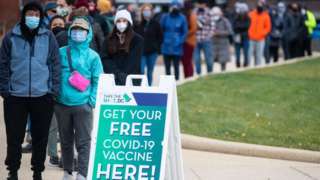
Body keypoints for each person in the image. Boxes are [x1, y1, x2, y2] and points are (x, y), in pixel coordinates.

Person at [0, 2, 60, 179]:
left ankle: (37, 171)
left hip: (42, 96)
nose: (32, 17)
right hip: (15, 96)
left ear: (40, 17)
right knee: (14, 137)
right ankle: (13, 170)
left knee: (40, 137)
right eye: (29, 13)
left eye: (36, 14)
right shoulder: (11, 37)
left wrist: (53, 91)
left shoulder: (48, 37)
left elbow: (55, 64)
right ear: (23, 15)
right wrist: (5, 90)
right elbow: (2, 65)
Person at [55, 17, 103, 180]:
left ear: (88, 33)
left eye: (81, 31)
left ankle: (82, 173)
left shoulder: (93, 56)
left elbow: (98, 79)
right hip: (62, 104)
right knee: (65, 140)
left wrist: (92, 100)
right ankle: (68, 171)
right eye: (75, 30)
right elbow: (54, 74)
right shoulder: (61, 52)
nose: (78, 33)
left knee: (84, 142)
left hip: (83, 105)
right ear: (70, 32)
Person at [101, 9, 143, 85]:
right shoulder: (109, 39)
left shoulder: (137, 39)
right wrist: (117, 73)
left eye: (124, 21)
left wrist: (124, 76)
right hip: (113, 79)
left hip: (131, 80)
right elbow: (105, 58)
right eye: (119, 21)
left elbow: (134, 61)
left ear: (129, 23)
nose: (121, 23)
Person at [134, 4, 163, 85]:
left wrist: (157, 49)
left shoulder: (155, 23)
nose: (146, 12)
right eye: (145, 10)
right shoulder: (137, 23)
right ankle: (142, 86)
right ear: (142, 12)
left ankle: (149, 87)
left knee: (150, 71)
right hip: (141, 52)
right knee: (141, 71)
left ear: (151, 12)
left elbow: (160, 37)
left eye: (148, 10)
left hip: (152, 52)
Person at [160, 1, 188, 80]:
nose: (175, 8)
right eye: (173, 6)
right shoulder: (165, 17)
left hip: (177, 47)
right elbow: (160, 30)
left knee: (176, 67)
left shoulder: (182, 18)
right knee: (167, 68)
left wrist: (180, 41)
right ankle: (167, 85)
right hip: (166, 46)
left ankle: (176, 84)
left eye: (177, 6)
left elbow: (185, 32)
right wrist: (163, 40)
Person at [194, 0, 215, 74]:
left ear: (205, 4)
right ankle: (198, 75)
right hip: (196, 40)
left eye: (201, 4)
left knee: (209, 59)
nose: (200, 5)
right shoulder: (193, 13)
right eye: (199, 4)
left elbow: (213, 27)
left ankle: (210, 74)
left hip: (206, 40)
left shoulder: (209, 12)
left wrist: (208, 37)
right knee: (196, 59)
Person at [248, 1, 271, 66]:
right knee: (249, 54)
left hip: (260, 39)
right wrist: (249, 32)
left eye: (261, 5)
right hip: (251, 38)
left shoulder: (266, 15)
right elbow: (247, 24)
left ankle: (257, 68)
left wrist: (262, 33)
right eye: (259, 4)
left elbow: (268, 27)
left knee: (259, 55)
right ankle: (247, 68)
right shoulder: (251, 14)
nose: (260, 6)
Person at [211, 7, 233, 71]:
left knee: (223, 62)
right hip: (213, 44)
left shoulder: (225, 21)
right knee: (211, 61)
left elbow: (230, 31)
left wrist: (219, 33)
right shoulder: (210, 21)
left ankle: (223, 73)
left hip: (223, 44)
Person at [181, 0, 197, 78]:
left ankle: (189, 76)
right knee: (184, 60)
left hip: (189, 42)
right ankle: (186, 76)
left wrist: (184, 34)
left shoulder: (192, 15)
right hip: (185, 41)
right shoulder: (186, 15)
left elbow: (194, 29)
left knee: (187, 60)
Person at [232, 2, 250, 68]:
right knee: (237, 53)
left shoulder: (248, 18)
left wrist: (240, 27)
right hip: (238, 37)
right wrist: (241, 27)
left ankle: (246, 65)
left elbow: (247, 26)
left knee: (246, 52)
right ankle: (238, 64)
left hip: (245, 37)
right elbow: (234, 27)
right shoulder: (235, 17)